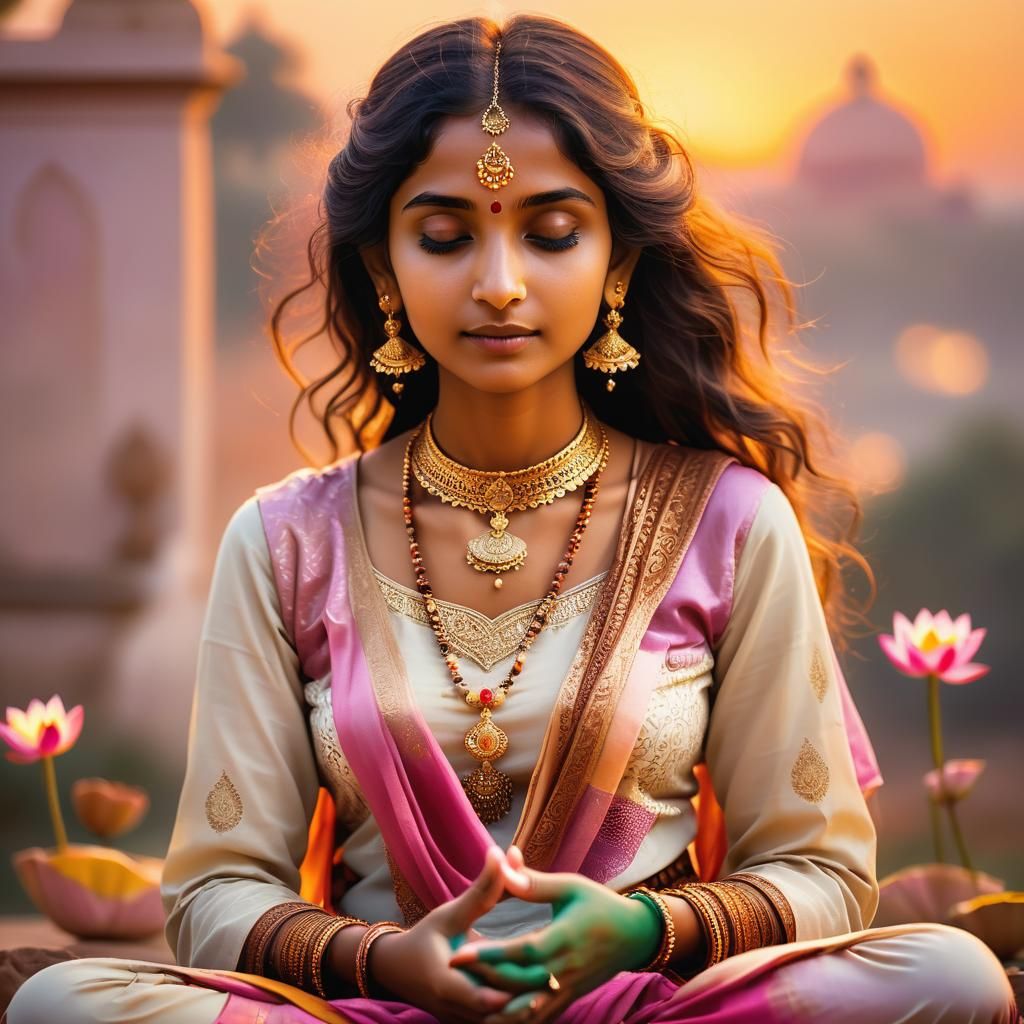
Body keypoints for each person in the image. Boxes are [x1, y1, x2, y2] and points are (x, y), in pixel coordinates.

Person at [8, 14, 1016, 1024]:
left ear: (616, 264)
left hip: (645, 1006)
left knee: (951, 975)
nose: (498, 284)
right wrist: (386, 961)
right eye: (445, 236)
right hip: (380, 1009)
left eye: (550, 232)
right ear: (383, 267)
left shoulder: (725, 522)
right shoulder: (287, 540)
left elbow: (822, 872)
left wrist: (641, 933)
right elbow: (213, 895)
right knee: (63, 1001)